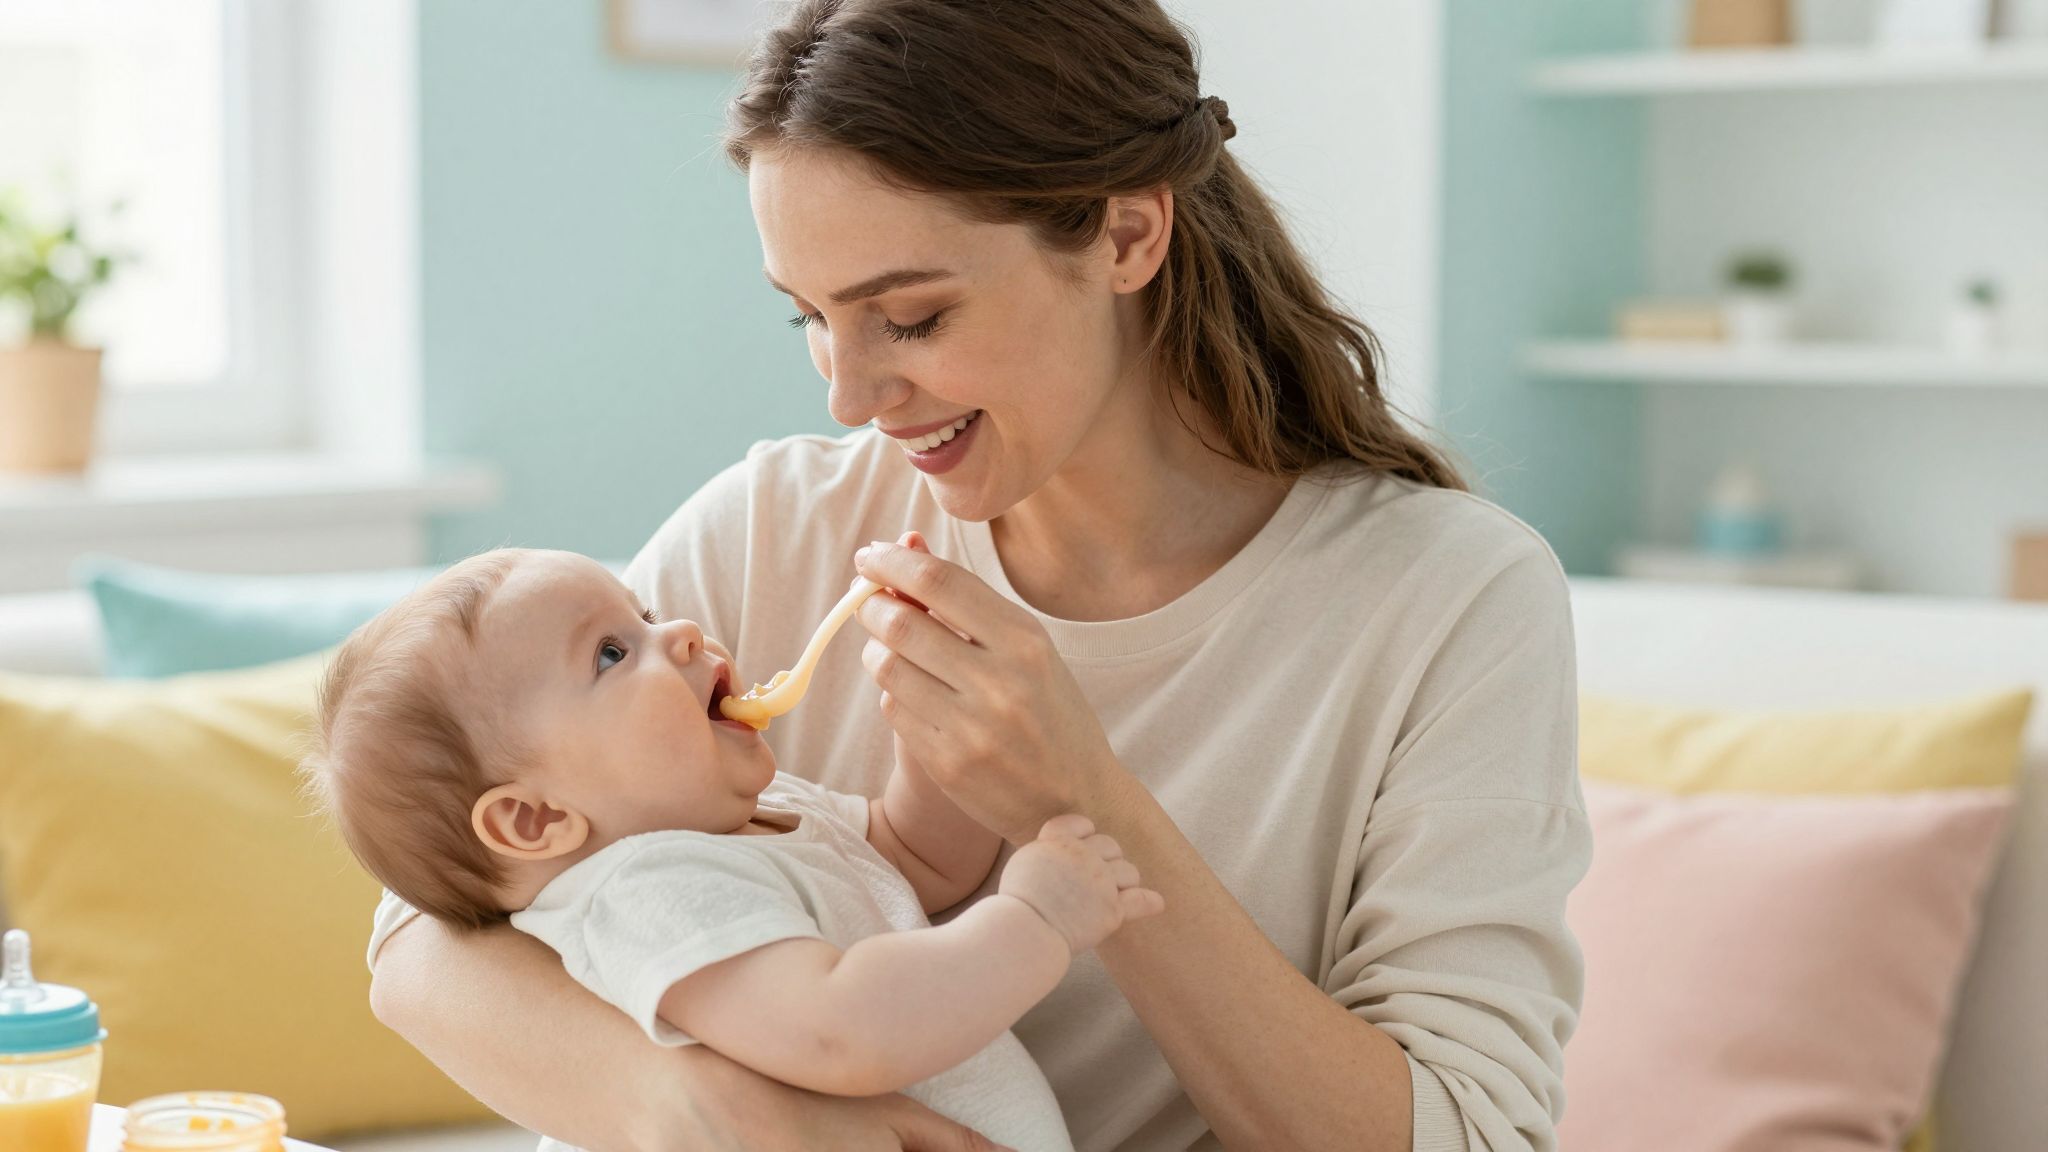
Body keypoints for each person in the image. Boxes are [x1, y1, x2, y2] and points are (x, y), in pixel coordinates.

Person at [367, 1, 1592, 1149]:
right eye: (805, 317)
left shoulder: (1447, 600)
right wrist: (712, 1113)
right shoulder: (777, 526)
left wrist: (1089, 805)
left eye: (908, 317)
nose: (849, 394)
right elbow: (423, 938)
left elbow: (1461, 1133)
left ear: (1125, 231)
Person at [306, 546, 1161, 1152]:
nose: (677, 630)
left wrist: (934, 746)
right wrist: (1039, 915)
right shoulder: (647, 890)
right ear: (534, 822)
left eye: (640, 613)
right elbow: (843, 1031)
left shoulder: (757, 815)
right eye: (613, 652)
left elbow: (914, 863)